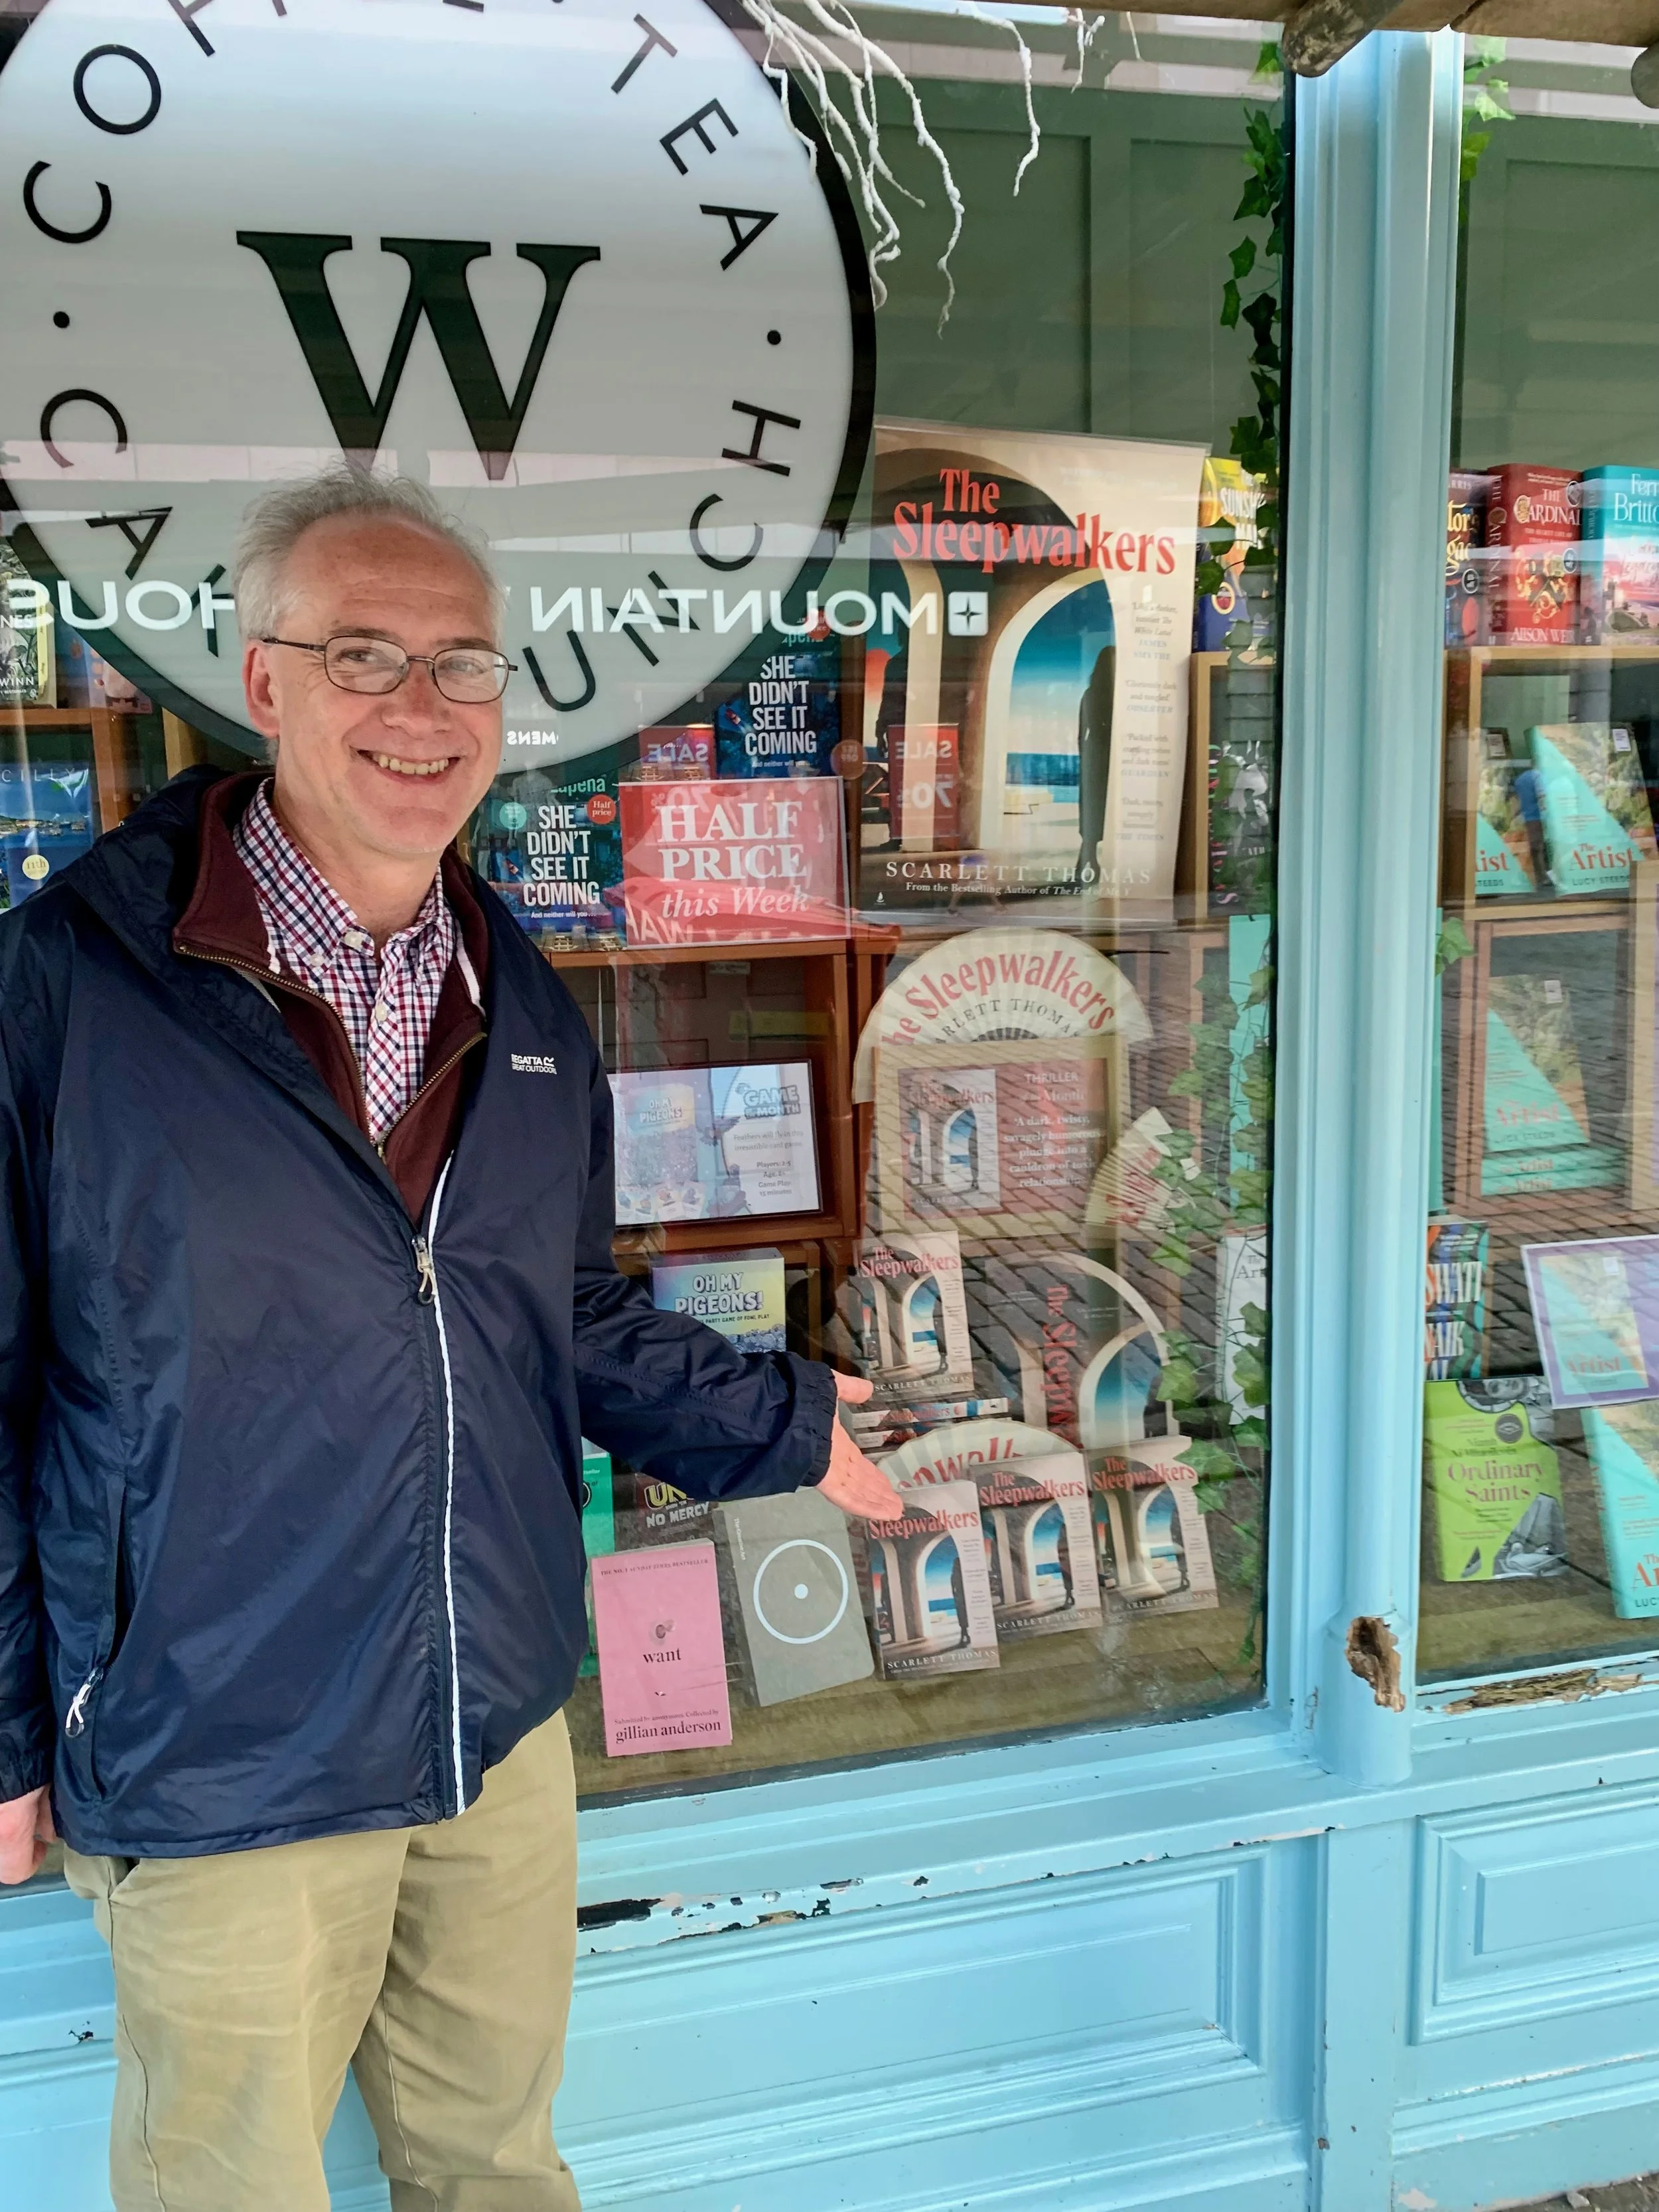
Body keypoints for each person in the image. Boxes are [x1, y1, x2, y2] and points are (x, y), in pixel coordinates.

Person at [0, 467, 904, 2211]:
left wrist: (785, 1422)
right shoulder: (70, 989)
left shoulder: (526, 997)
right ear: (260, 683)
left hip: (487, 1731)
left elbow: (548, 1315)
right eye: (363, 655)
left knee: (496, 2171)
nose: (422, 710)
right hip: (218, 1749)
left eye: (463, 666)